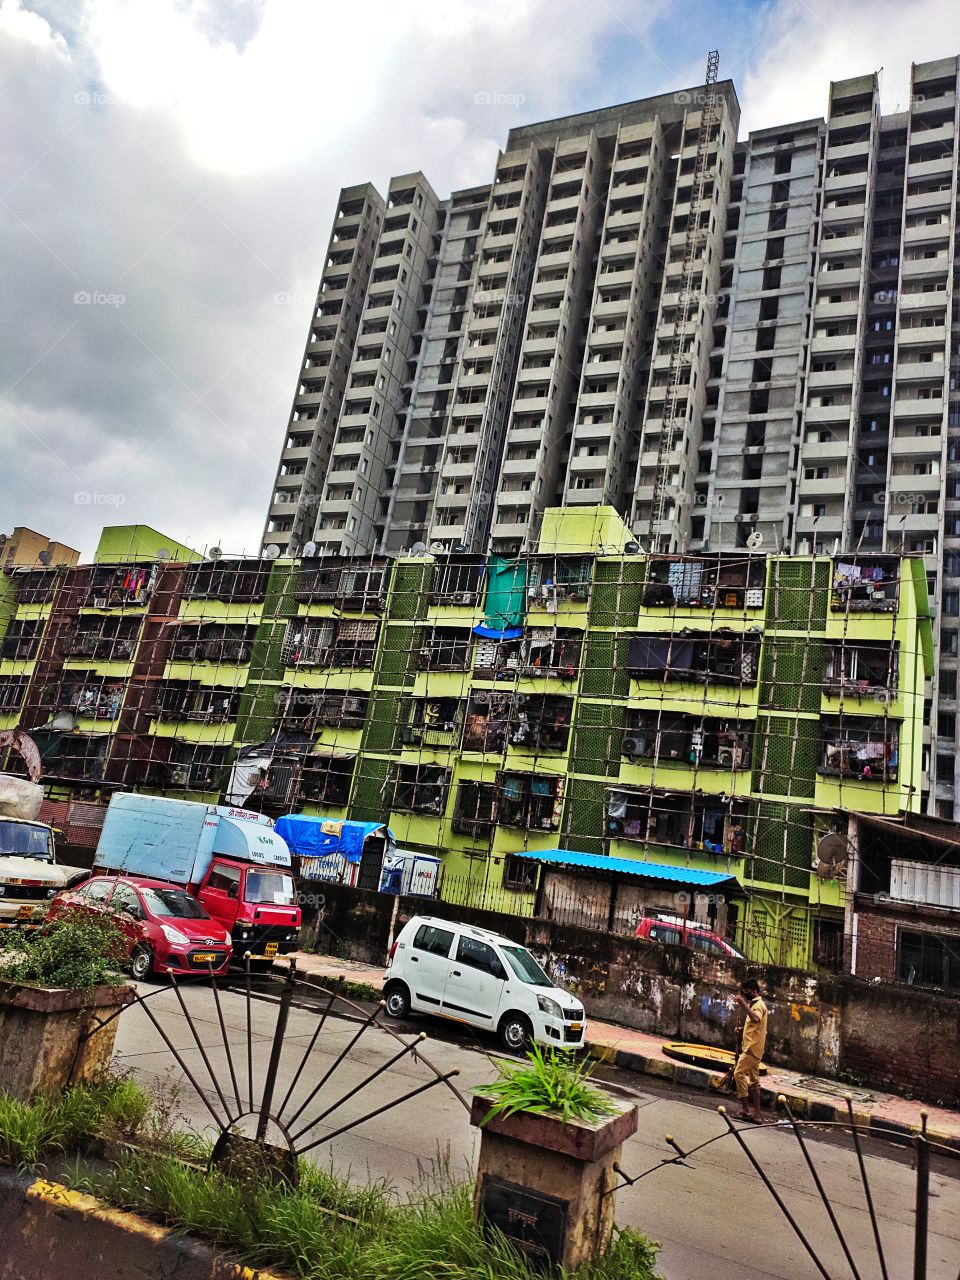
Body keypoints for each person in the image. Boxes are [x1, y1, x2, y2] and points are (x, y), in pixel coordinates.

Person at [732, 977, 768, 1123]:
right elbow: (755, 1026)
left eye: (746, 992)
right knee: (754, 1082)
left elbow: (755, 1019)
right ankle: (757, 1115)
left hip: (751, 1049)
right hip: (755, 1048)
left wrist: (742, 1004)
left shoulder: (758, 1006)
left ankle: (746, 1109)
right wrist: (742, 1029)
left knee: (738, 1073)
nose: (745, 995)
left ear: (754, 991)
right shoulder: (755, 1004)